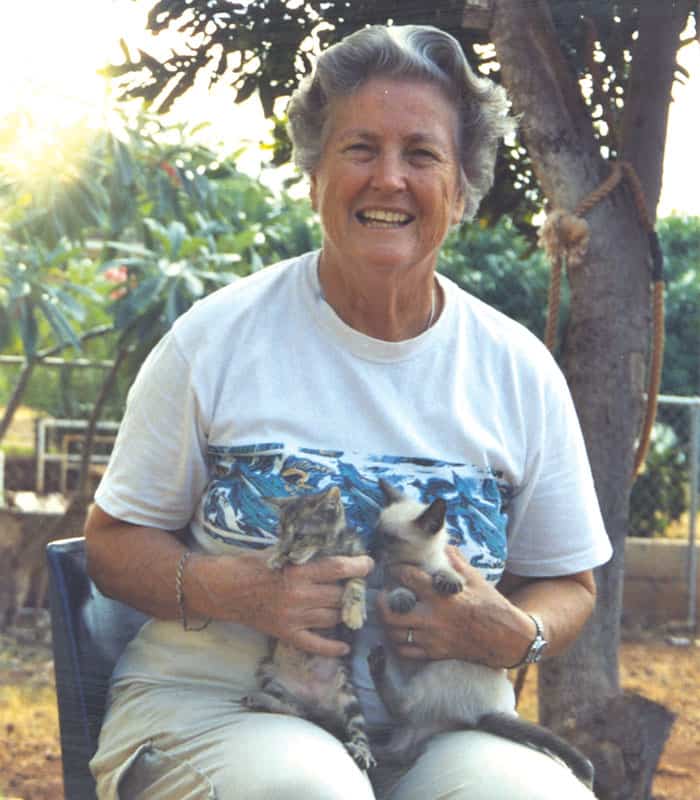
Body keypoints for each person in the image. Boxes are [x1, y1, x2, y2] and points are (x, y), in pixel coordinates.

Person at [85, 23, 612, 800]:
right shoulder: (217, 339)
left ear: (462, 188)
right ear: (314, 176)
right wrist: (244, 592)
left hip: (443, 730)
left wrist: (519, 634)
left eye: (422, 154)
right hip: (225, 709)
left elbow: (569, 581)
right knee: (311, 791)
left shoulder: (518, 370)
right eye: (360, 148)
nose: (388, 179)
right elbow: (112, 543)